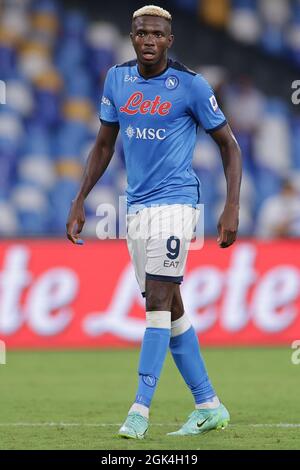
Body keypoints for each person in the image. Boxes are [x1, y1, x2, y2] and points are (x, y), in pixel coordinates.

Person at [66, 5, 242, 439]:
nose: (148, 40)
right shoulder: (116, 80)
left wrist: (231, 206)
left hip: (177, 205)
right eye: (141, 33)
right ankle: (209, 405)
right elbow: (104, 144)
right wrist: (79, 199)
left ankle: (139, 410)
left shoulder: (191, 86)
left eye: (157, 34)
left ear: (170, 40)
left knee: (157, 303)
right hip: (136, 209)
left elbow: (230, 146)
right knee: (172, 308)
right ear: (131, 36)